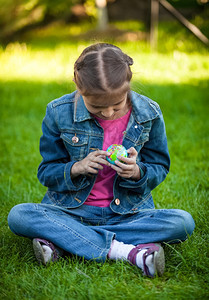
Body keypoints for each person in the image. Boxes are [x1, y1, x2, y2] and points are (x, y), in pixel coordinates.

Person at [8, 43, 195, 277]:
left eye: (117, 105)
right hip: (72, 210)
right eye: (96, 107)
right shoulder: (58, 112)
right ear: (78, 86)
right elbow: (47, 172)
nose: (107, 113)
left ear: (128, 85)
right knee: (18, 215)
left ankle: (67, 240)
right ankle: (128, 251)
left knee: (183, 222)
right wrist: (77, 167)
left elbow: (160, 167)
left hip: (128, 214)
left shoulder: (149, 113)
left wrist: (137, 172)